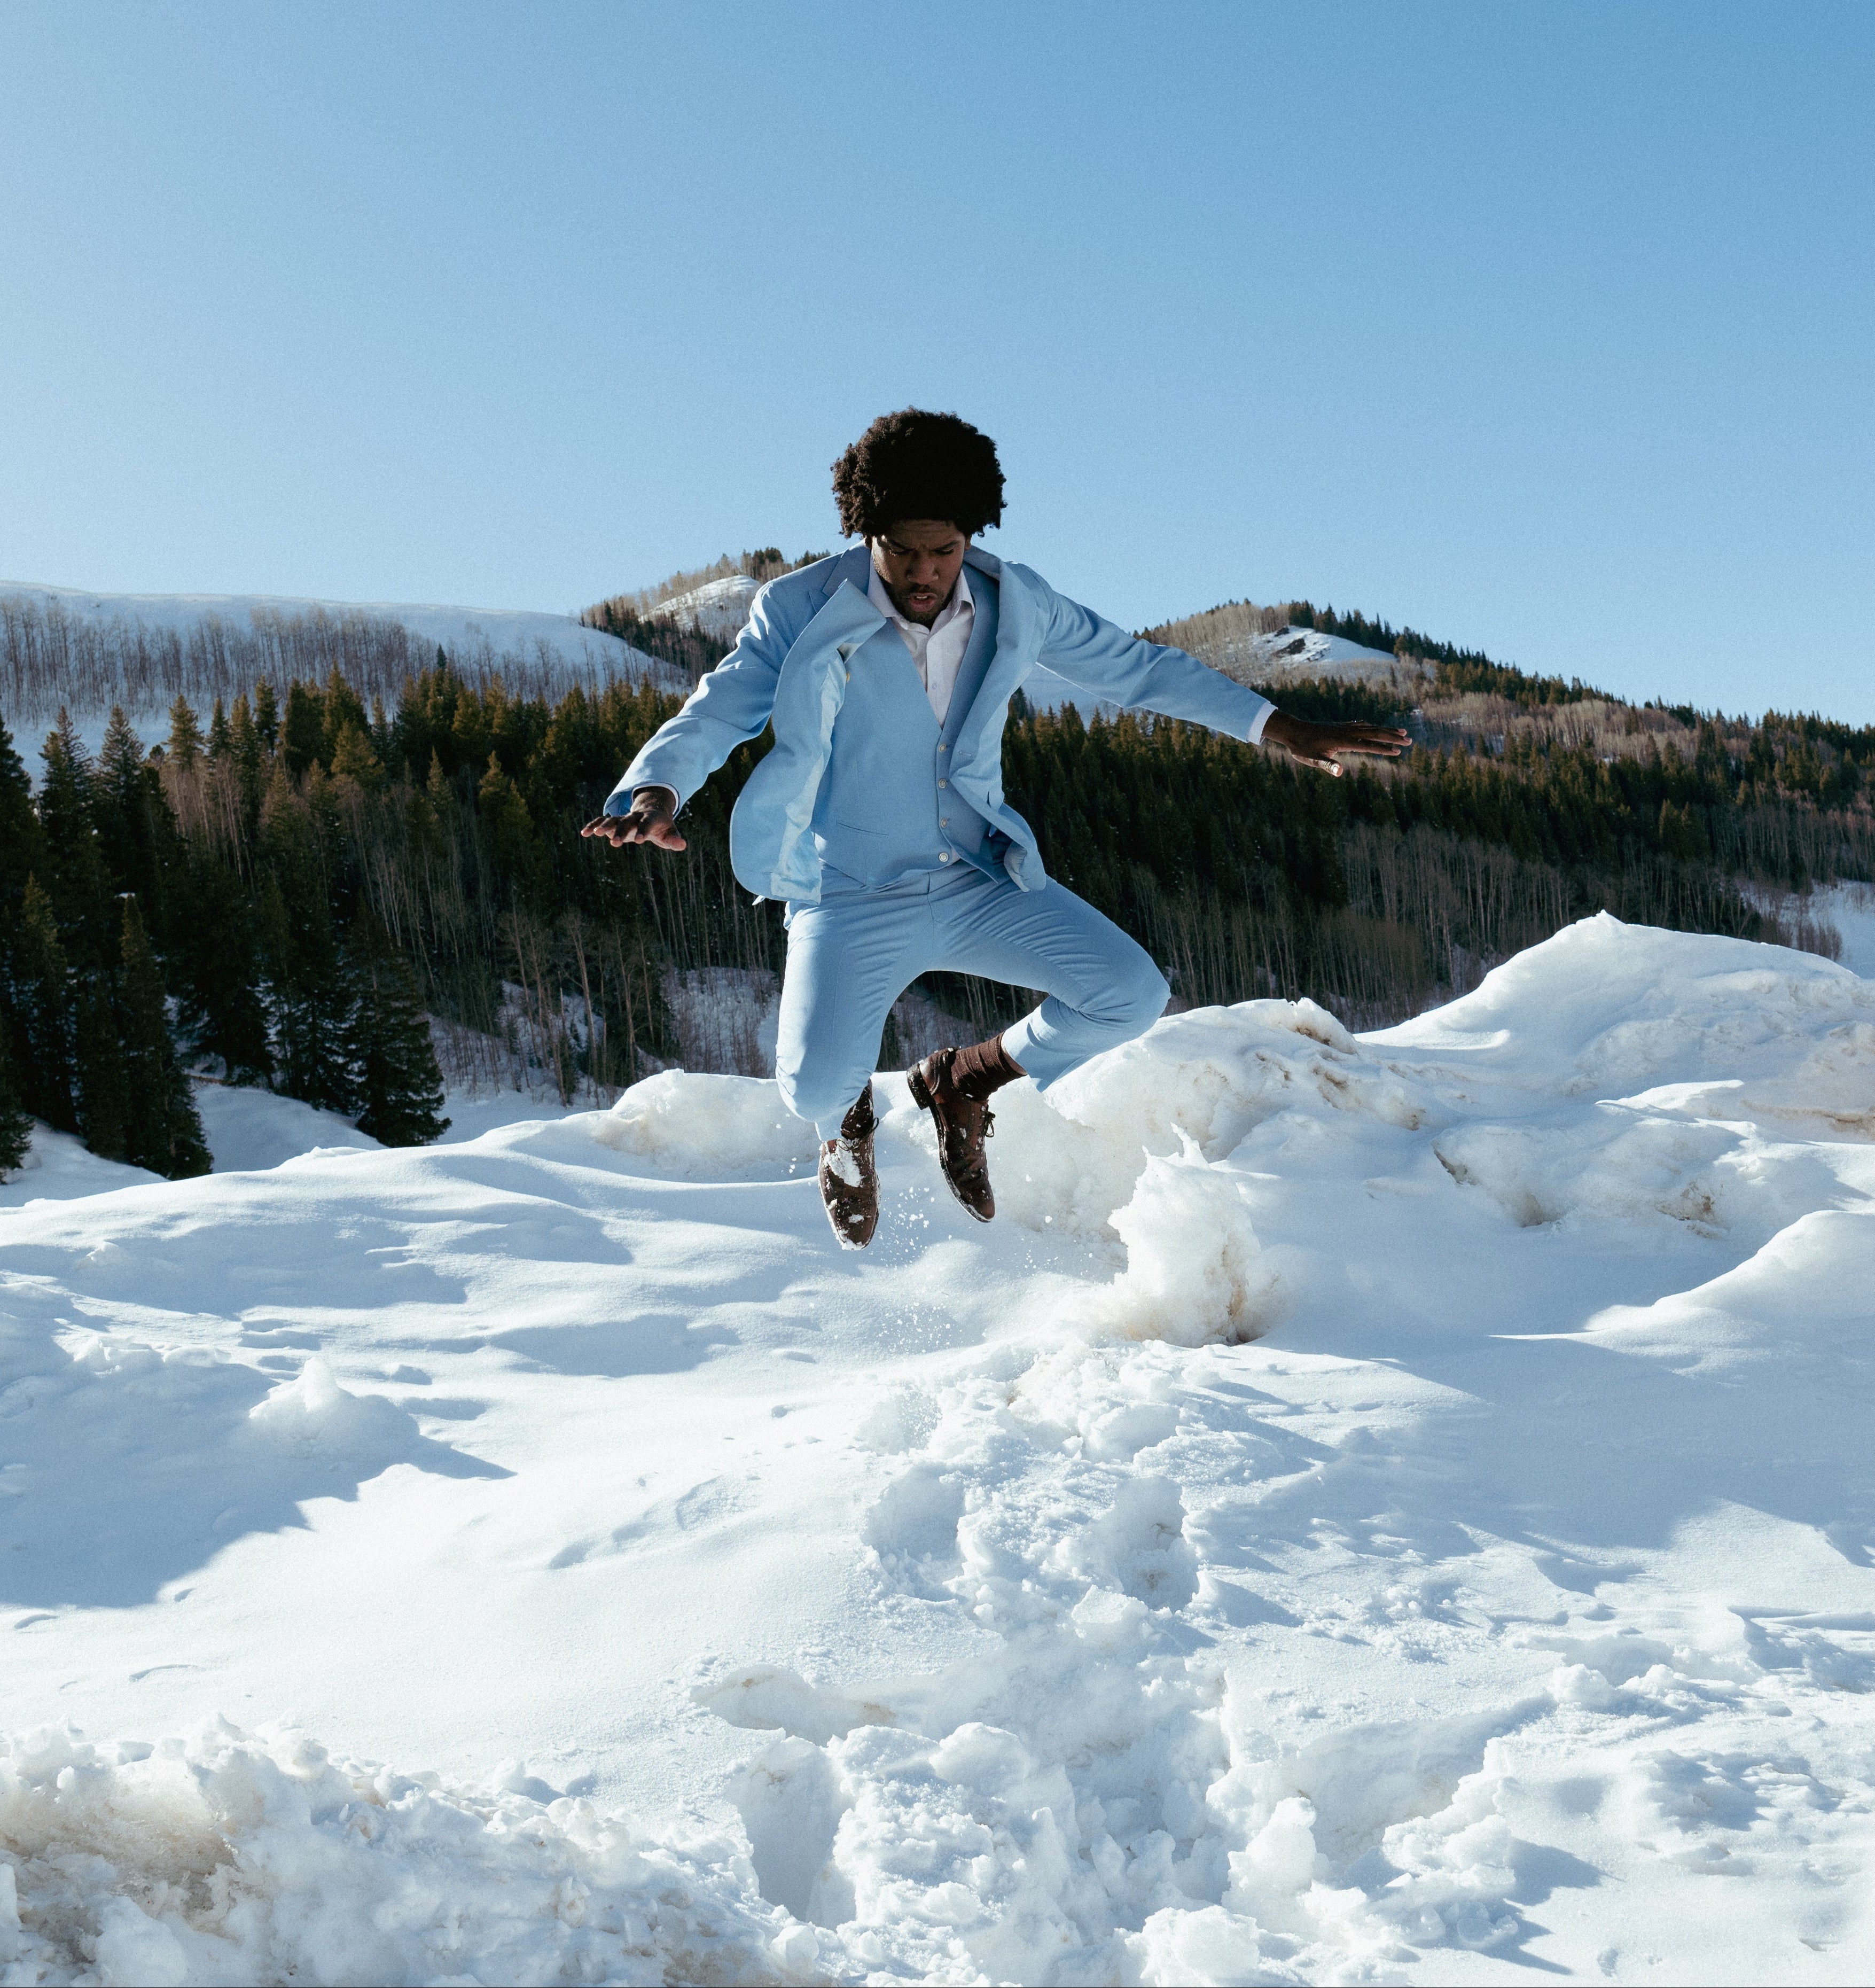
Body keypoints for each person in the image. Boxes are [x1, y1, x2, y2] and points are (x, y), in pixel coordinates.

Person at [583, 409, 1405, 1247]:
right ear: (866, 530)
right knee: (810, 1086)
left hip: (976, 874)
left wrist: (1276, 726)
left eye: (942, 550)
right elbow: (718, 707)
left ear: (969, 535)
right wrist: (656, 787)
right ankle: (847, 1125)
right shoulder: (798, 606)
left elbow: (1140, 669)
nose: (923, 570)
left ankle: (961, 1084)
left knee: (1130, 992)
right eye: (901, 549)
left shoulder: (1016, 603)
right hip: (850, 892)